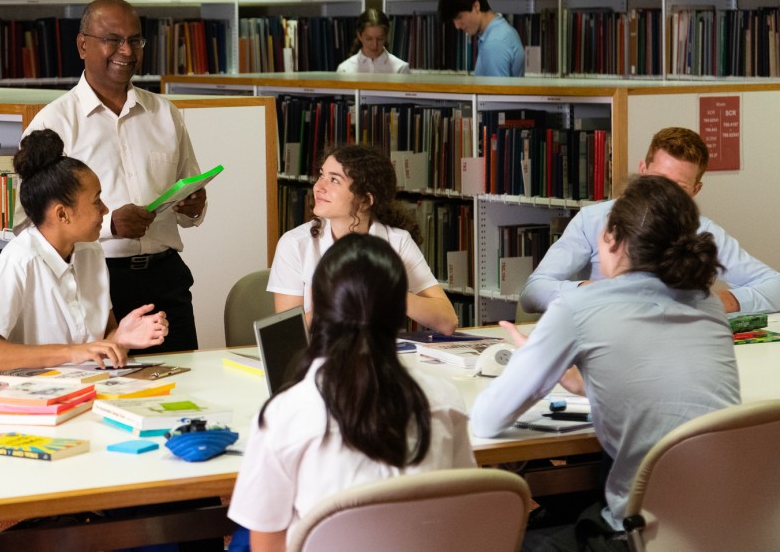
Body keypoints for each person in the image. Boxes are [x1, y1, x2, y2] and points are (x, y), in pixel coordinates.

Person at [472, 174, 740, 550]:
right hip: (730, 523)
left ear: (612, 239)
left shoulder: (578, 308)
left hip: (640, 532)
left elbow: (487, 420)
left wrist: (529, 364)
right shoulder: (708, 304)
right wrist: (586, 383)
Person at [229, 234, 476, 550]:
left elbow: (267, 541)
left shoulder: (285, 413)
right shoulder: (445, 400)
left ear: (316, 307)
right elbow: (461, 504)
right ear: (399, 311)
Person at [17, 0, 207, 353]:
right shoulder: (53, 123)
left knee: (185, 382)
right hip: (96, 281)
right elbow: (28, 224)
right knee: (109, 390)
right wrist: (110, 227)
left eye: (135, 40)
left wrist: (194, 206)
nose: (126, 50)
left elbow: (189, 189)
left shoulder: (166, 113)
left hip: (166, 278)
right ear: (83, 44)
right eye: (113, 39)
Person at [0, 129, 168, 371]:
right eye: (96, 201)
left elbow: (101, 343)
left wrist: (121, 337)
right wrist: (71, 353)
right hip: (33, 397)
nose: (105, 209)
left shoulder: (90, 251)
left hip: (89, 386)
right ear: (62, 214)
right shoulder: (19, 260)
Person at [522, 126, 780, 315]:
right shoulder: (593, 219)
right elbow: (534, 292)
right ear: (642, 170)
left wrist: (720, 302)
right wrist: (592, 291)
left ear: (695, 191)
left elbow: (775, 287)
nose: (662, 193)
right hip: (605, 333)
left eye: (678, 186)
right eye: (656, 179)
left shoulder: (703, 231)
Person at [268, 143, 459, 334]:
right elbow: (288, 335)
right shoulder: (294, 244)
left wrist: (387, 291)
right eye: (321, 175)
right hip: (322, 357)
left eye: (334, 180)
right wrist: (338, 294)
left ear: (366, 200)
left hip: (378, 356)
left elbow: (448, 322)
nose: (318, 187)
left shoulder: (397, 241)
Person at [438, 0, 524, 77]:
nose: (457, 26)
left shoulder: (494, 43)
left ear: (476, 6)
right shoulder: (505, 30)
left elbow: (496, 92)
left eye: (459, 17)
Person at [335, 8, 409, 74]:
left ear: (386, 36)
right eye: (369, 39)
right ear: (359, 36)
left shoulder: (400, 69)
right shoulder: (344, 69)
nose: (374, 45)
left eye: (380, 39)